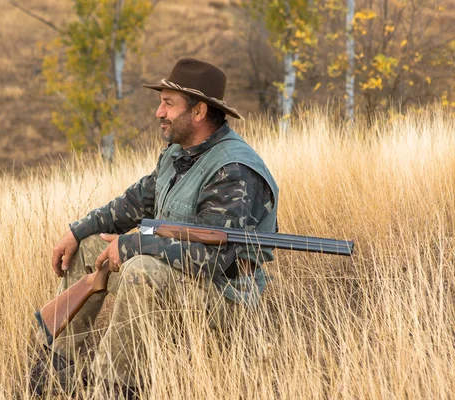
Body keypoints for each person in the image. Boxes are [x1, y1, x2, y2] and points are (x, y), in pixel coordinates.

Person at [31, 58, 279, 398]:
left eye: (168, 103)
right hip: (182, 280)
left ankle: (114, 387)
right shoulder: (178, 153)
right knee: (90, 246)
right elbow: (134, 203)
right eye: (160, 102)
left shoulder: (232, 170)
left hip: (227, 300)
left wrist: (133, 246)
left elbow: (211, 262)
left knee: (141, 269)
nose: (158, 113)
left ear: (198, 112)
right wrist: (76, 231)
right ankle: (55, 375)